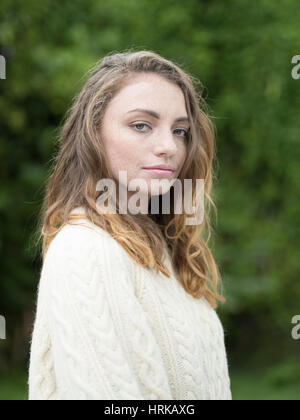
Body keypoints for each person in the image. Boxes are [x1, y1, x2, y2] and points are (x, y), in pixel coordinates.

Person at [28, 50, 232, 400]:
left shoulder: (164, 251)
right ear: (93, 134)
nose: (169, 146)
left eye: (180, 131)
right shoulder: (86, 249)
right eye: (141, 125)